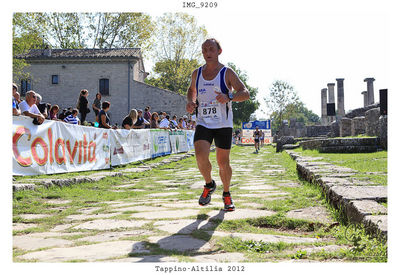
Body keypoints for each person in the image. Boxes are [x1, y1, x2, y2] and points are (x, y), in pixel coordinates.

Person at [186, 38, 250, 211]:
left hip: (223, 124)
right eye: (205, 49)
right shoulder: (196, 73)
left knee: (223, 163)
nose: (208, 52)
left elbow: (245, 93)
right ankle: (209, 184)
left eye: (211, 49)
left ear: (219, 51)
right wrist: (191, 102)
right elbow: (192, 90)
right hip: (203, 122)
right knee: (200, 155)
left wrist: (229, 96)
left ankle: (227, 194)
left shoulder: (227, 72)